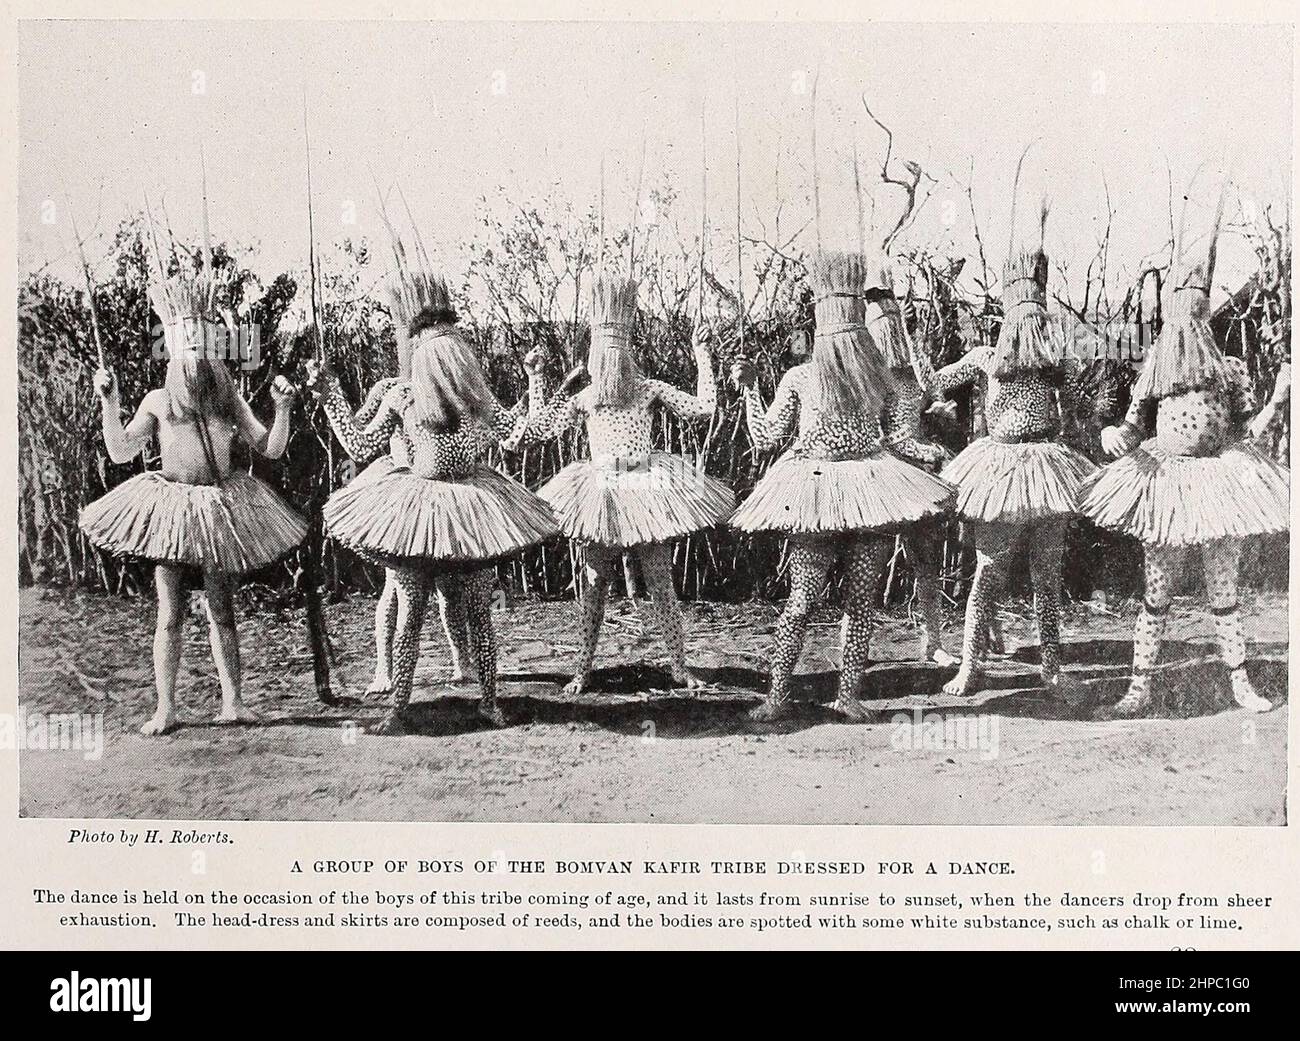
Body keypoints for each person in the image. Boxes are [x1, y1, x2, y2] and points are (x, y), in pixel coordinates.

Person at [310, 273, 557, 734]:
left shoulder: (463, 404)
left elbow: (525, 432)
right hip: (426, 512)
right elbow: (363, 445)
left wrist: (537, 380)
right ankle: (416, 705)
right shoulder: (419, 399)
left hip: (467, 511)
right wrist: (331, 396)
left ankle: (461, 703)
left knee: (445, 614)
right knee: (427, 612)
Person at [1078, 188, 1288, 714]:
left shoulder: (1231, 370)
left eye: (1191, 320)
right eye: (1177, 321)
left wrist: (1282, 398)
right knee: (1157, 593)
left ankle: (1240, 682)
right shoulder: (1155, 371)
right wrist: (1114, 439)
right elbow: (1129, 428)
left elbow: (1249, 433)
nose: (1183, 330)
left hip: (1221, 484)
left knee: (1224, 591)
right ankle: (1140, 686)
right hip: (1168, 484)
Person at [730, 250, 954, 721]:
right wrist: (749, 387)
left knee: (837, 602)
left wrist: (937, 458)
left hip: (860, 492)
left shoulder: (860, 381)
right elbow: (769, 436)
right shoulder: (826, 379)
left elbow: (896, 440)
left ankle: (824, 696)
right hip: (827, 494)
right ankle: (791, 694)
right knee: (819, 601)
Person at [80, 266, 305, 735]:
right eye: (189, 346)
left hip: (218, 510)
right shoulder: (160, 401)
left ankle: (233, 702)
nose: (197, 357)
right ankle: (166, 708)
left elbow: (272, 448)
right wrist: (110, 401)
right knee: (170, 612)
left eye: (205, 345)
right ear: (174, 354)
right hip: (172, 514)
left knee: (222, 610)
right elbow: (121, 450)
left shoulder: (229, 401)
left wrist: (283, 410)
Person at [522, 275, 733, 695]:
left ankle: (677, 665)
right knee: (595, 582)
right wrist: (536, 377)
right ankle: (582, 669)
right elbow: (537, 430)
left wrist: (703, 355)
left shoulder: (647, 390)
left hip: (644, 488)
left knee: (659, 580)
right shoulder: (585, 399)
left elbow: (704, 409)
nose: (612, 360)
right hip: (601, 492)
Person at [930, 199, 1095, 698]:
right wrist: (933, 401)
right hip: (999, 468)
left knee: (1047, 574)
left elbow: (1087, 387)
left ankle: (1051, 668)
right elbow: (933, 382)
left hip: (1047, 466)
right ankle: (970, 664)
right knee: (987, 571)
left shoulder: (1053, 363)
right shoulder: (985, 357)